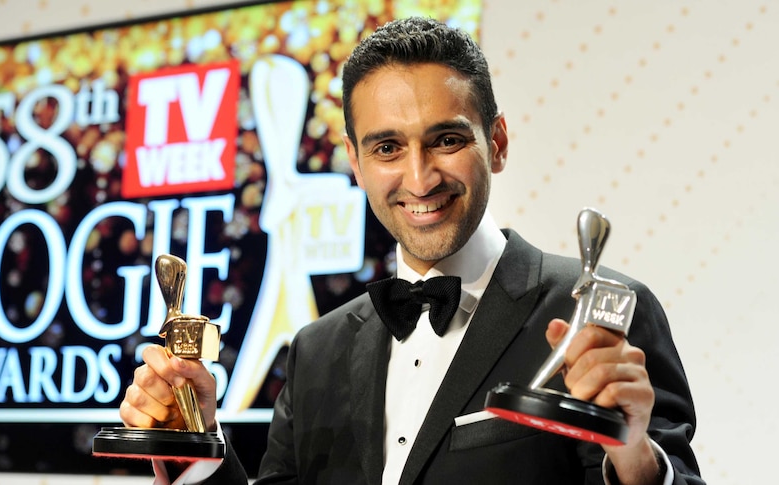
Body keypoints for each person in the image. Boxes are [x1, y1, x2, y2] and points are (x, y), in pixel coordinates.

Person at [120, 17, 703, 484]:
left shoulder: (599, 312)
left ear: (496, 143)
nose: (420, 178)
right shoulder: (315, 351)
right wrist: (195, 440)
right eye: (388, 148)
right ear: (355, 162)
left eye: (446, 140)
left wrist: (634, 458)